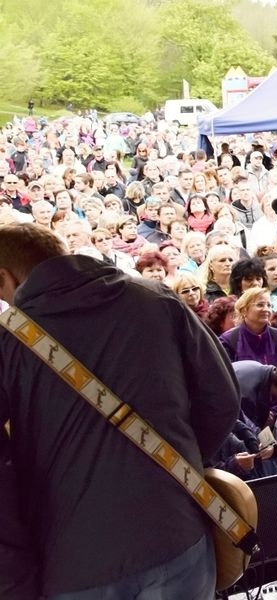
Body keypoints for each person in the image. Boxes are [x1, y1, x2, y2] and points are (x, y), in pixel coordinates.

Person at [0, 223, 239, 598]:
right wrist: (173, 464)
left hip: (74, 561)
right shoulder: (155, 297)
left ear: (4, 277)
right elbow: (221, 400)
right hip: (178, 533)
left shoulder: (7, 341)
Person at [219, 287, 277, 366]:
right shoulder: (228, 341)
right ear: (244, 310)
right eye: (260, 305)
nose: (266, 309)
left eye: (269, 305)